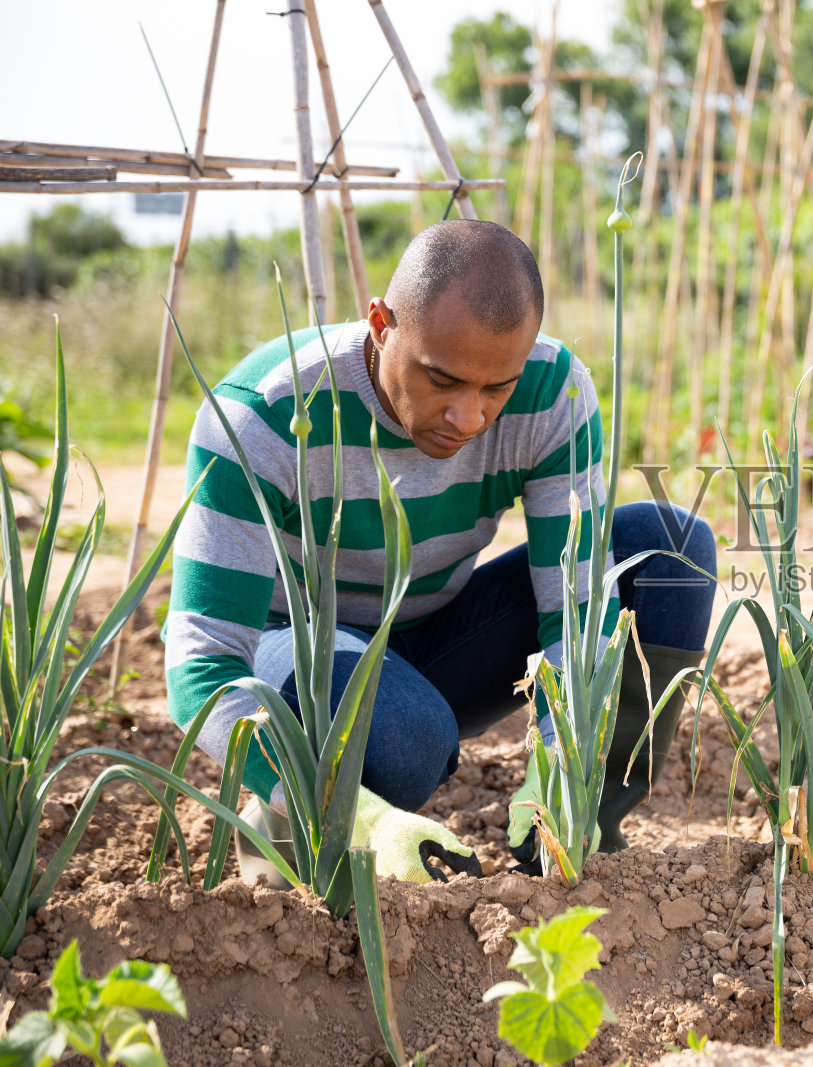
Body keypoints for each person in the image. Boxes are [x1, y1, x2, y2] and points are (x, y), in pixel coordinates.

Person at [164, 220, 716, 883]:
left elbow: (578, 610)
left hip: (437, 633)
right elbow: (201, 662)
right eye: (441, 379)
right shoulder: (266, 414)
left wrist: (559, 759)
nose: (469, 417)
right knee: (404, 740)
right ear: (380, 323)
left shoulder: (552, 390)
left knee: (668, 547)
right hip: (301, 648)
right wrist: (358, 817)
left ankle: (576, 834)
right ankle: (293, 821)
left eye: (496, 388)